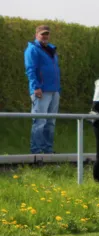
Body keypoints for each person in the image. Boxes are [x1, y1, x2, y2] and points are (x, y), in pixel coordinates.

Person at [25, 25, 61, 154]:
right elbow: (30, 70)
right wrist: (36, 87)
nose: (45, 36)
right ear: (36, 35)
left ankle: (47, 149)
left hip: (54, 91)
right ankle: (36, 150)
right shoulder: (32, 49)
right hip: (41, 91)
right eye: (42, 34)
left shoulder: (51, 49)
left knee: (51, 122)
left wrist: (58, 90)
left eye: (47, 34)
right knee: (40, 121)